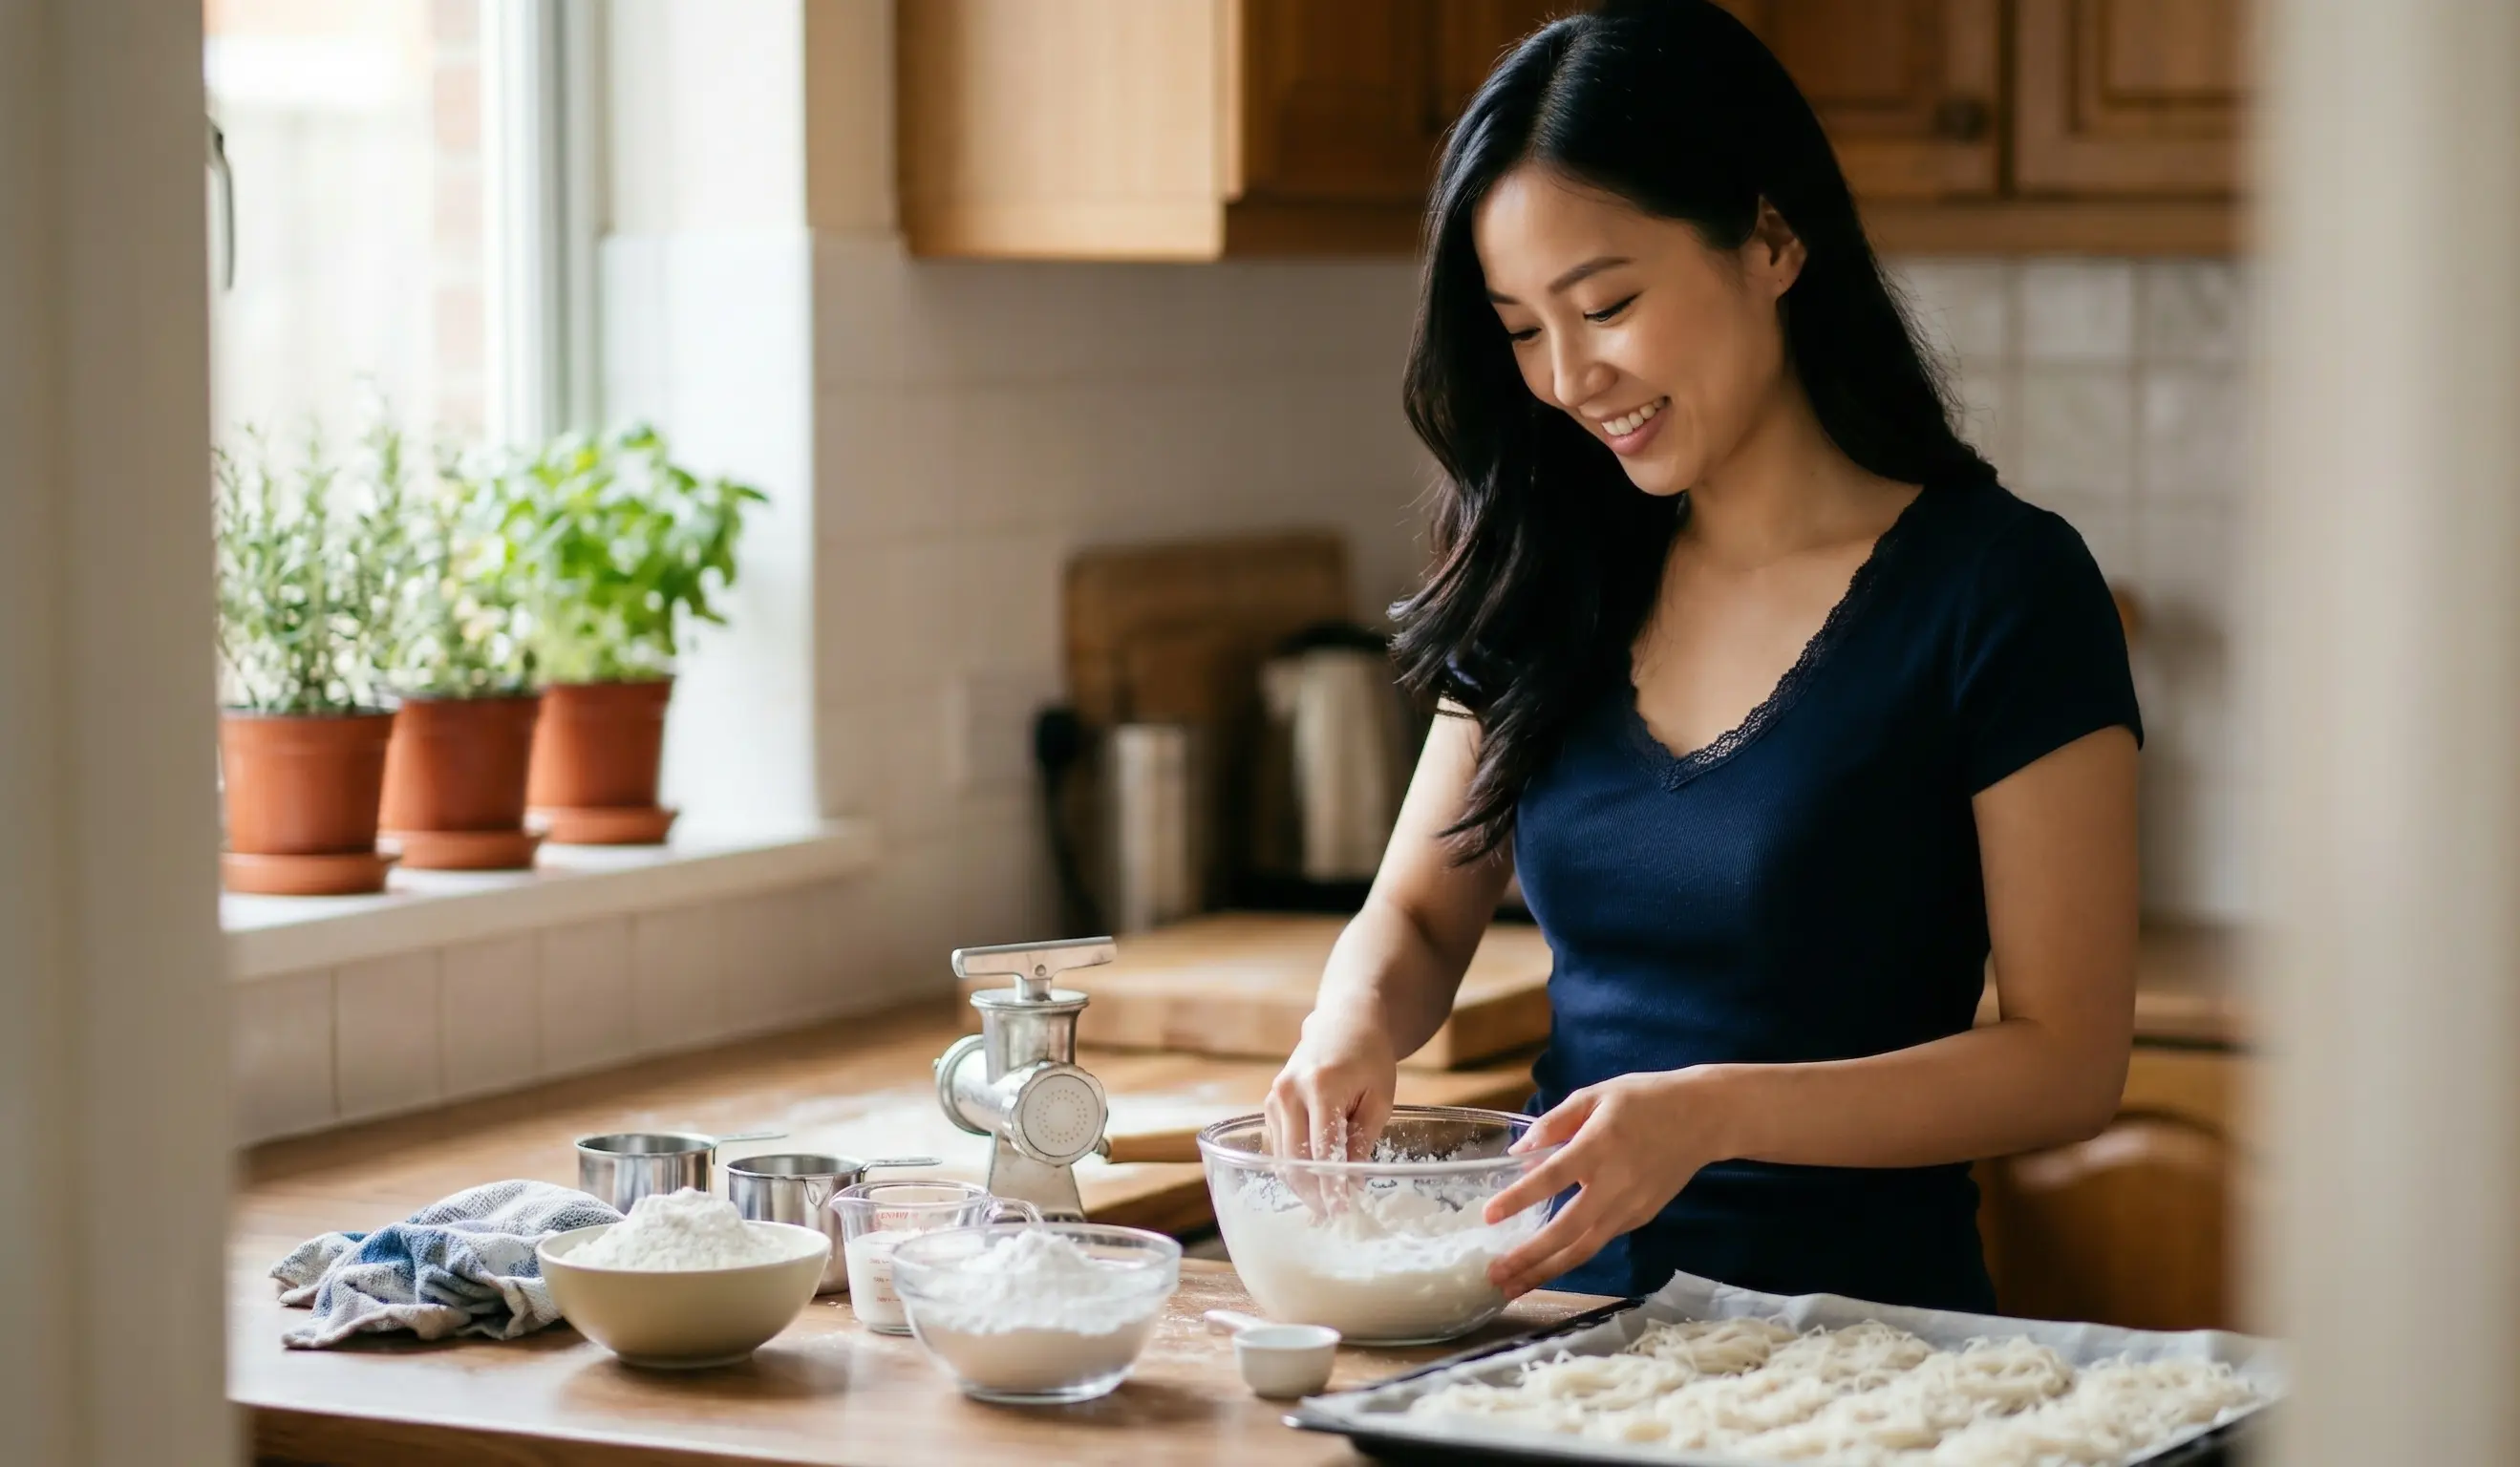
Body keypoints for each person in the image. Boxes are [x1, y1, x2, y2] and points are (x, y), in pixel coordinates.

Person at [1264, 0, 2142, 1312]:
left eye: (1605, 303)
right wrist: (1347, 1029)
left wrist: (1711, 1115)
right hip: (1541, 1329)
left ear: (1772, 239)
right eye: (1517, 329)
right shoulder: (1542, 571)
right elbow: (1417, 912)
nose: (1565, 377)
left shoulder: (2001, 590)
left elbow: (2066, 1062)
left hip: (1866, 1352)